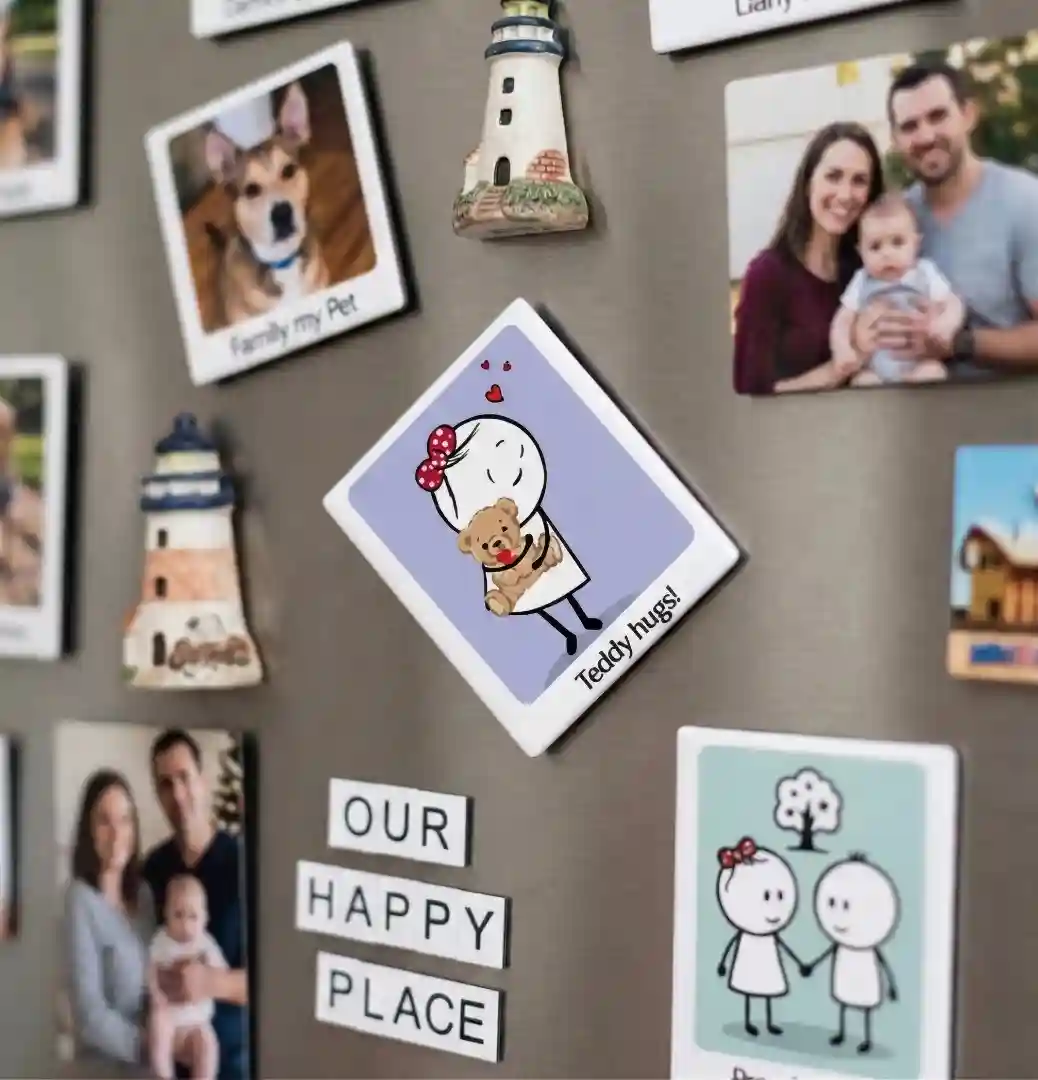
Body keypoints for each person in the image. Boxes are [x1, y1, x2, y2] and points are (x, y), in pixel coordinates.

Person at [855, 60, 1038, 378]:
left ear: (968, 115)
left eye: (938, 116)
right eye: (909, 126)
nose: (925, 136)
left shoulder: (1024, 201)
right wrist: (860, 332)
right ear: (896, 140)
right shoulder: (896, 221)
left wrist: (960, 343)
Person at [732, 122, 885, 394]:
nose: (845, 194)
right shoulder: (767, 275)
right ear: (808, 182)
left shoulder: (866, 269)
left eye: (859, 180)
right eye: (833, 176)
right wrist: (836, 371)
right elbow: (749, 393)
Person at [142, 731, 249, 1080]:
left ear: (202, 782)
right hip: (164, 1060)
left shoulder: (245, 866)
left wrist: (210, 983)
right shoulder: (151, 871)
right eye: (165, 784)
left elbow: (279, 983)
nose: (178, 794)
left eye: (184, 777)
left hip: (231, 1064)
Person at [63, 770, 158, 1076]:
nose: (117, 832)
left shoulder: (144, 895)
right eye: (104, 821)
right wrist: (150, 1045)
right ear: (88, 830)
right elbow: (89, 1016)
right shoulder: (78, 900)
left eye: (125, 819)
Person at [831, 192, 962, 385]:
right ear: (861, 252)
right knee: (862, 383)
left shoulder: (925, 271)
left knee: (935, 372)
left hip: (918, 364)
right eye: (875, 247)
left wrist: (946, 324)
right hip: (875, 369)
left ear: (916, 243)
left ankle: (912, 398)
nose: (887, 253)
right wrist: (842, 349)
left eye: (898, 242)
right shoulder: (861, 279)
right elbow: (842, 319)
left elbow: (953, 302)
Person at [804, 853, 900, 1055]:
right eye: (832, 904)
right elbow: (827, 952)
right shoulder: (841, 944)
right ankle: (842, 1033)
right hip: (844, 963)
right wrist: (812, 965)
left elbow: (883, 962)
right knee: (843, 1001)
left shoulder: (869, 944)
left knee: (865, 1005)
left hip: (865, 966)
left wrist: (891, 985)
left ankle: (866, 1038)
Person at [714, 837, 808, 1037]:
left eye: (779, 897)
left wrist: (799, 962)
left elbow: (783, 945)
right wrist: (723, 962)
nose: (773, 908)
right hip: (748, 952)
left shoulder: (770, 934)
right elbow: (733, 943)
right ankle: (749, 1021)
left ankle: (768, 1022)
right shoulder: (746, 929)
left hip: (767, 953)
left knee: (767, 987)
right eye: (767, 897)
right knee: (748, 988)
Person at [148, 874, 226, 1080]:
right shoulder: (161, 940)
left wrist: (206, 972)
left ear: (205, 918)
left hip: (197, 1020)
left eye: (193, 917)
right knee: (158, 1023)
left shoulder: (206, 944)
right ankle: (163, 1074)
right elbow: (150, 971)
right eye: (178, 914)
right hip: (169, 1015)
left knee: (208, 1044)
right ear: (166, 914)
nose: (185, 924)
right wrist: (156, 994)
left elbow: (221, 974)